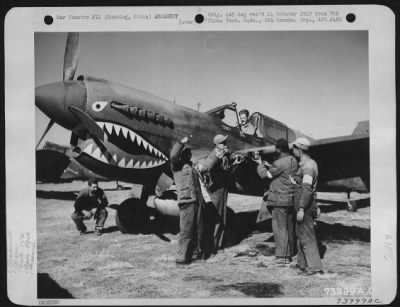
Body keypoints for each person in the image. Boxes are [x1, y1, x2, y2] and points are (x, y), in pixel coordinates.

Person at [291, 137, 331, 276]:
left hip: (305, 205)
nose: (293, 151)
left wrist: (302, 208)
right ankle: (302, 264)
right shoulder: (307, 164)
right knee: (300, 234)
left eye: (294, 149)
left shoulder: (308, 166)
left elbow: (307, 189)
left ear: (299, 150)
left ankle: (314, 267)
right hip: (305, 203)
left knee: (307, 235)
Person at [255, 138, 298, 264]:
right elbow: (281, 171)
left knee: (280, 228)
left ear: (278, 149)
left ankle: (283, 257)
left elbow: (265, 175)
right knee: (289, 226)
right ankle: (291, 251)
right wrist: (269, 166)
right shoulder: (293, 160)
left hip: (279, 200)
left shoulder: (279, 163)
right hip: (290, 198)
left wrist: (259, 163)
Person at [170, 136, 205, 265]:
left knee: (198, 229)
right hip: (186, 201)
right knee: (186, 231)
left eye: (190, 154)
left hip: (197, 201)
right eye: (186, 154)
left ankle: (195, 254)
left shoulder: (192, 167)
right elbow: (173, 156)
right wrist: (180, 143)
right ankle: (181, 258)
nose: (189, 156)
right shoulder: (177, 166)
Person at [197, 134, 234, 252]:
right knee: (217, 218)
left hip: (221, 189)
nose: (226, 144)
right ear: (217, 144)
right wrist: (218, 157)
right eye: (223, 142)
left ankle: (217, 244)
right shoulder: (215, 154)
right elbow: (206, 167)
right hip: (217, 190)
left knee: (221, 216)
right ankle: (213, 246)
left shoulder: (221, 153)